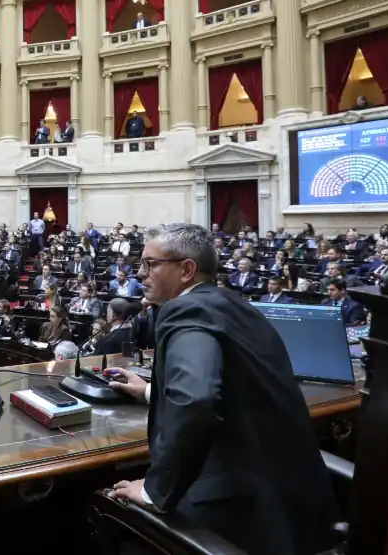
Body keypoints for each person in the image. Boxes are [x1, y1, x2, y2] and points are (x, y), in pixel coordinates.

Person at [108, 224, 340, 555]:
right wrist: (149, 392)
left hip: (243, 510)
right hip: (292, 502)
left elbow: (196, 400)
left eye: (150, 264)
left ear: (186, 269)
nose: (140, 273)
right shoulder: (231, 304)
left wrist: (154, 491)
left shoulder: (185, 309)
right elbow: (230, 389)